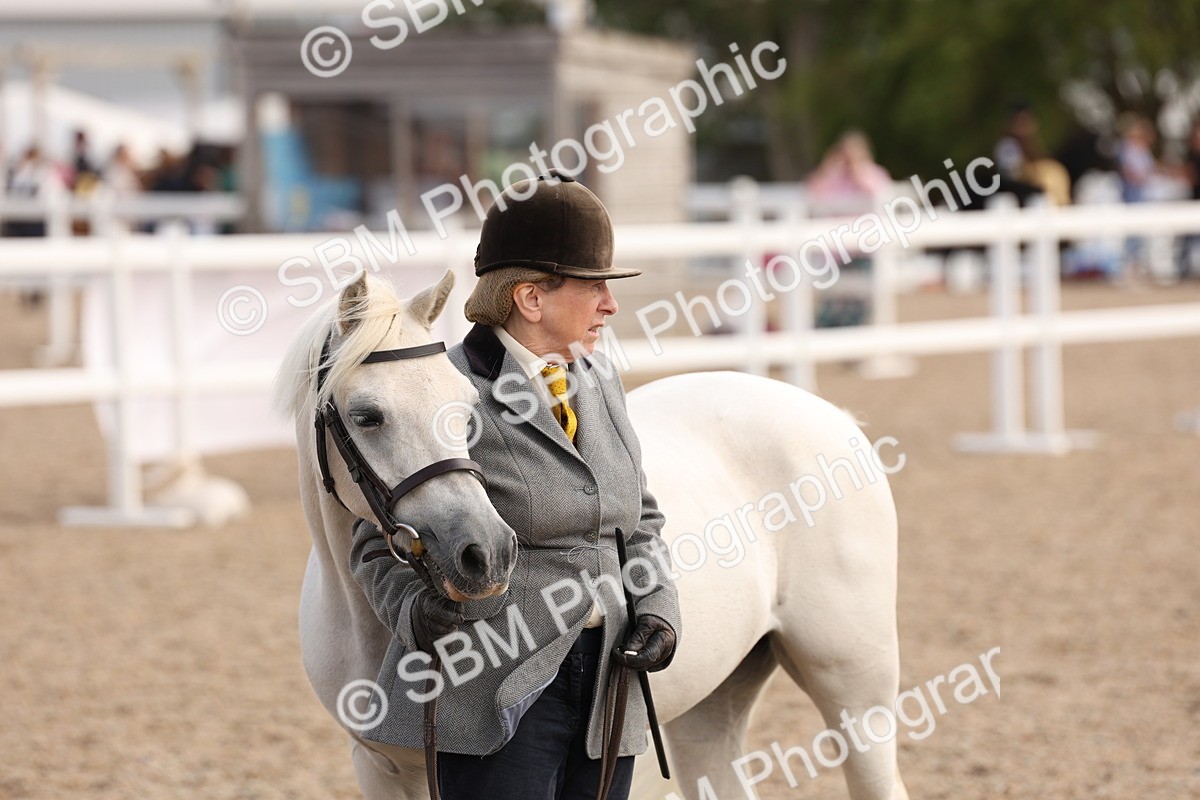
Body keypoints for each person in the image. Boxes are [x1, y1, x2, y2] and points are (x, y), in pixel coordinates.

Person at [349, 171, 681, 800]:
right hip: (495, 682)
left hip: (608, 680)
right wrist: (415, 610)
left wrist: (659, 607)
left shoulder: (597, 380)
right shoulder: (446, 393)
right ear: (531, 298)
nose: (610, 304)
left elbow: (639, 518)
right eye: (594, 287)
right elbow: (373, 538)